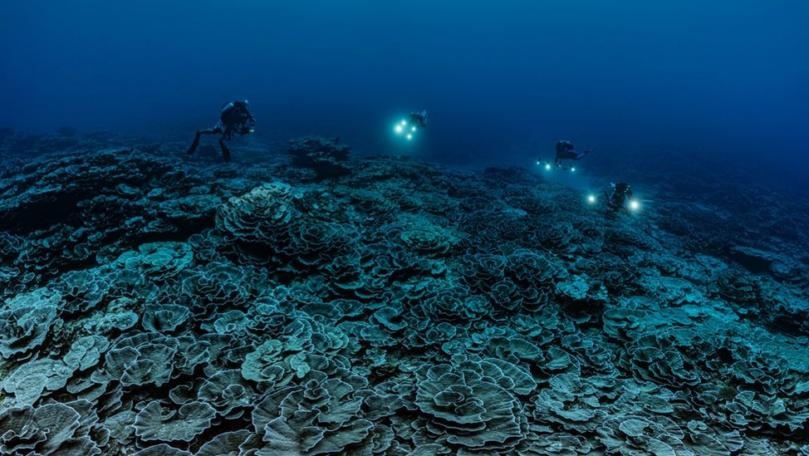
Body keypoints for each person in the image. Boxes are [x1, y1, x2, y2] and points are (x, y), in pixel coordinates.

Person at [186, 100, 256, 161]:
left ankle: (200, 133)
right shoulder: (239, 115)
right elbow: (237, 127)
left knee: (215, 131)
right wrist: (246, 130)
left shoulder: (239, 113)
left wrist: (246, 129)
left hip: (222, 124)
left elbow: (239, 126)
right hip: (225, 125)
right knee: (223, 137)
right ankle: (226, 156)